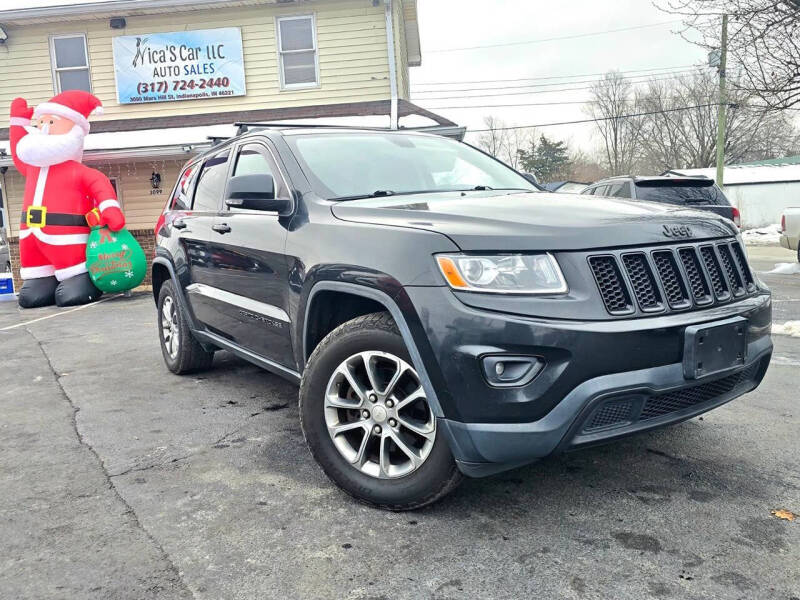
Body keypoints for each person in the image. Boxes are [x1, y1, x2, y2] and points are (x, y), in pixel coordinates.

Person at [9, 91, 126, 308]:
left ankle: (80, 280)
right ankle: (42, 280)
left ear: (74, 131)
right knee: (32, 296)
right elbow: (19, 152)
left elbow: (99, 184)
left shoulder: (77, 171)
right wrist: (18, 123)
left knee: (72, 289)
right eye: (40, 122)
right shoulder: (32, 167)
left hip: (67, 238)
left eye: (51, 122)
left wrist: (110, 209)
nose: (43, 128)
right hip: (31, 238)